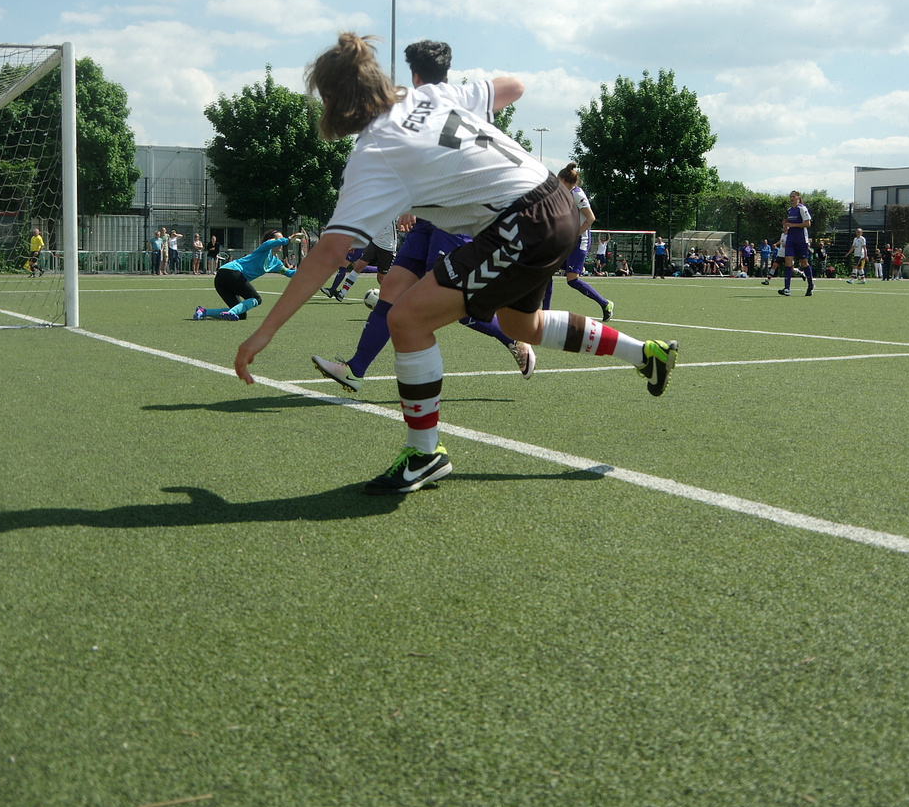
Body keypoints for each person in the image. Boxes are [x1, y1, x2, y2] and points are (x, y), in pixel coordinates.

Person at [237, 33, 678, 495]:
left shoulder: (375, 151)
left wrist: (265, 331)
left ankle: (424, 455)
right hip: (555, 202)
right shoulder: (432, 94)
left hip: (522, 221)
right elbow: (514, 87)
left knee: (407, 318)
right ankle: (646, 354)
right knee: (520, 324)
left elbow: (329, 253)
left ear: (337, 102)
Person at [311, 40, 537, 388]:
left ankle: (512, 339)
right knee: (393, 289)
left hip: (458, 216)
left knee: (449, 306)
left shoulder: (448, 102)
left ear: (414, 76)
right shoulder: (421, 109)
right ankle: (354, 369)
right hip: (432, 219)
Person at [543, 164, 613, 320]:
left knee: (572, 279)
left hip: (579, 241)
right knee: (547, 270)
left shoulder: (576, 193)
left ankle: (605, 303)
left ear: (563, 180)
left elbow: (590, 218)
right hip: (568, 240)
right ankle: (544, 314)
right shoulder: (563, 194)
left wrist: (575, 234)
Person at [195, 230, 304, 320]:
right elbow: (269, 243)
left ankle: (204, 311)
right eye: (278, 239)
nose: (280, 242)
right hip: (231, 272)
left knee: (241, 314)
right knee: (256, 299)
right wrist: (288, 239)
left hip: (224, 278)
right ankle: (230, 313)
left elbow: (289, 273)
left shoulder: (275, 263)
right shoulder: (264, 249)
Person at [776, 191, 814, 296]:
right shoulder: (789, 210)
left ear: (798, 197)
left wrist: (792, 225)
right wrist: (786, 224)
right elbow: (789, 225)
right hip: (791, 240)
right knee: (788, 262)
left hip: (801, 240)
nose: (791, 198)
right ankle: (787, 288)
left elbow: (807, 223)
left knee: (804, 263)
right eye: (790, 197)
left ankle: (811, 284)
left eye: (793, 196)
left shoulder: (802, 209)